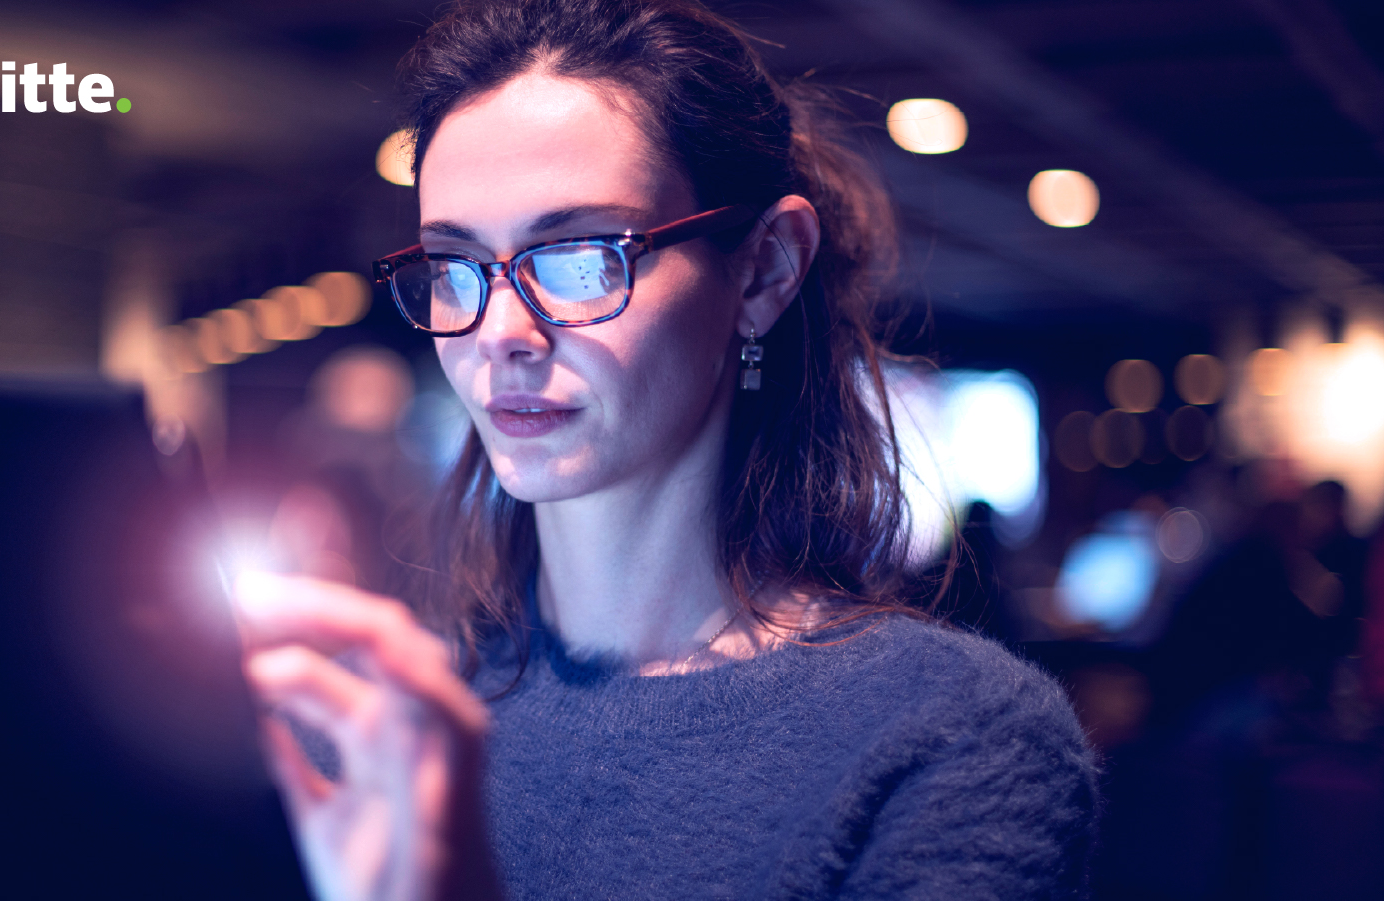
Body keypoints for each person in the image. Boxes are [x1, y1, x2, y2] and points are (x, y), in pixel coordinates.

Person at [232, 1, 1099, 899]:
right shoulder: (379, 736)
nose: (500, 331)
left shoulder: (947, 740)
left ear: (762, 269)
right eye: (456, 268)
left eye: (577, 256)